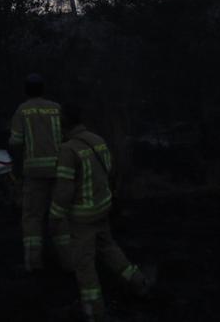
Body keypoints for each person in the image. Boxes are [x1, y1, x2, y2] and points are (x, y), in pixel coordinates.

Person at [48, 104, 150, 322]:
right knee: (109, 248)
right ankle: (138, 282)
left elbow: (64, 190)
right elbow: (110, 171)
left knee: (84, 265)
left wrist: (56, 215)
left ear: (64, 124)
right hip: (103, 209)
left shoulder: (68, 150)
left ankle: (95, 313)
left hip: (82, 218)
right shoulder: (97, 140)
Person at [8, 73, 63, 272]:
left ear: (26, 90)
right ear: (43, 89)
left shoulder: (22, 110)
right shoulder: (56, 109)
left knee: (32, 217)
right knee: (59, 215)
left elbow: (15, 141)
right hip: (59, 169)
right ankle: (68, 260)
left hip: (33, 172)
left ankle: (33, 263)